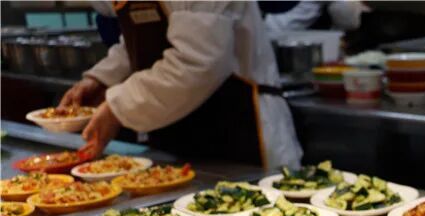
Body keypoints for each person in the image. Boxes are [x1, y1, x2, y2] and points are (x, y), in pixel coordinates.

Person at [60, 1, 302, 169]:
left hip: (241, 130)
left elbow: (199, 62)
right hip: (180, 137)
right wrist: (102, 79)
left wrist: (117, 107)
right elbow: (141, 40)